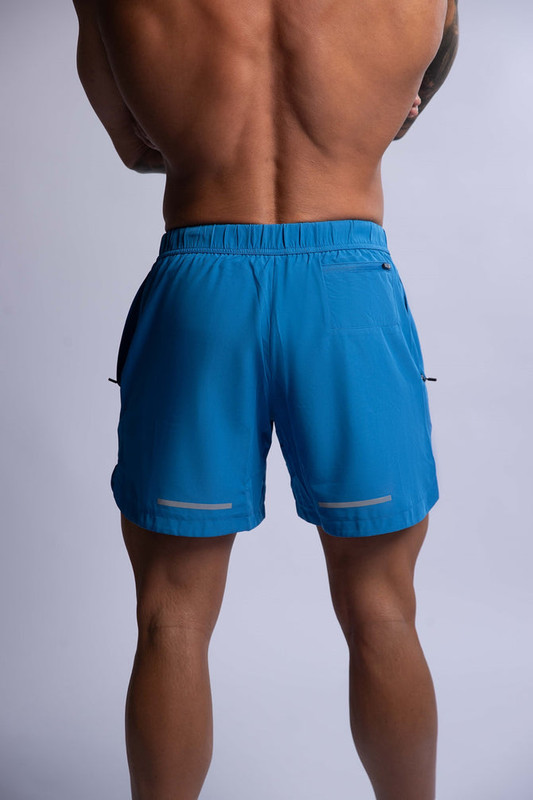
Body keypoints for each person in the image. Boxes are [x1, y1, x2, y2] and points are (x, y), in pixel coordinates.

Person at [72, 1, 459, 798]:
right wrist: (351, 124)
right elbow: (410, 101)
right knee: (383, 609)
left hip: (200, 285)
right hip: (348, 291)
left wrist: (213, 141)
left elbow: (132, 143)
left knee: (171, 616)